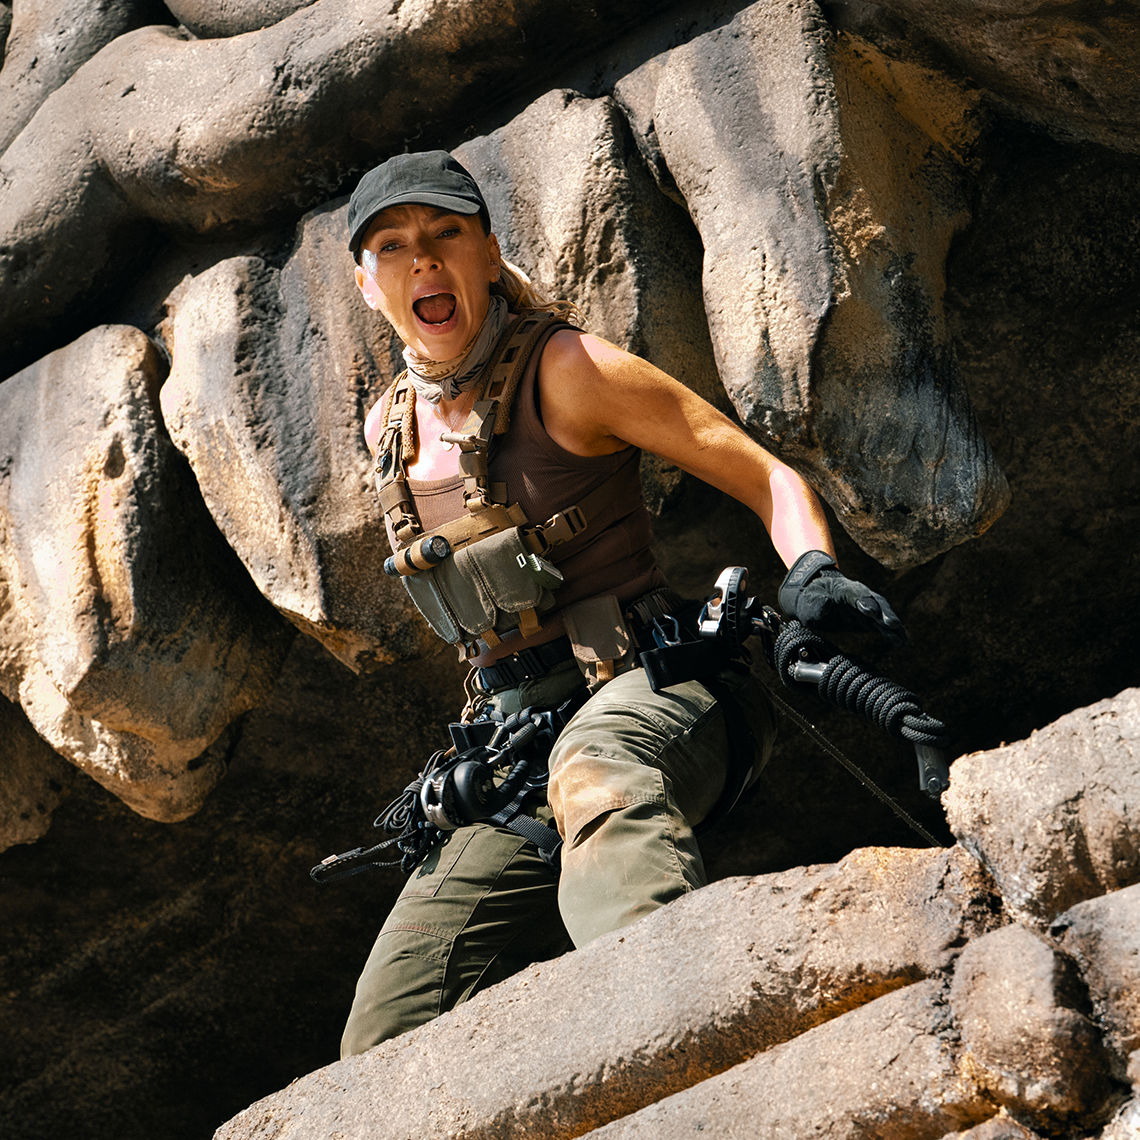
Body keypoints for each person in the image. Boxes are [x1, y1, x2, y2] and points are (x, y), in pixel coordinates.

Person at [339, 149, 907, 1057]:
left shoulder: (568, 369)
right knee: (387, 1022)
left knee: (596, 765)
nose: (425, 262)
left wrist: (812, 569)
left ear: (487, 253)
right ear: (368, 286)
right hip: (515, 742)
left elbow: (763, 474)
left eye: (447, 234)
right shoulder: (385, 431)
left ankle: (680, 1047)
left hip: (654, 689)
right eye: (395, 246)